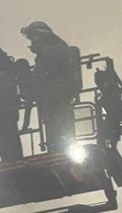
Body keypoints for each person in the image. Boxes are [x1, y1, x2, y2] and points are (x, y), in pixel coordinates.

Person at [20, 21, 81, 152]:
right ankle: (57, 147)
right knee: (55, 127)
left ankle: (60, 148)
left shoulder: (53, 50)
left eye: (33, 37)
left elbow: (48, 73)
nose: (32, 41)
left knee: (60, 126)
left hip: (56, 95)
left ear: (41, 34)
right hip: (51, 96)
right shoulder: (49, 51)